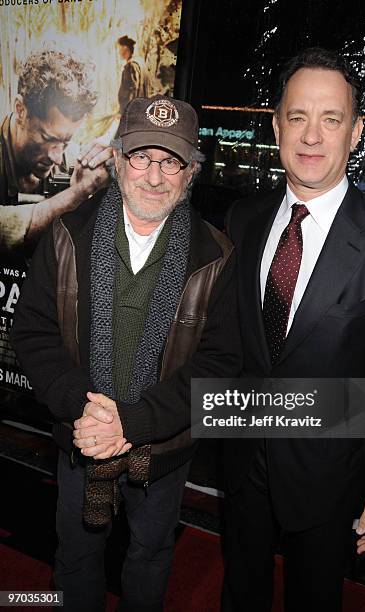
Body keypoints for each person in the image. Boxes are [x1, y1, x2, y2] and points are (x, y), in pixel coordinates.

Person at [222, 47, 365, 612]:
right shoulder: (242, 220)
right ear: (275, 126)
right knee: (239, 590)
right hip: (242, 461)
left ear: (356, 130)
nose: (312, 135)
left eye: (331, 118)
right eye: (297, 117)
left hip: (330, 479)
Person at [11, 94, 241, 612]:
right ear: (116, 160)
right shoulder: (67, 234)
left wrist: (133, 422)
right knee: (74, 556)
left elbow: (219, 366)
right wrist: (86, 410)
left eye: (171, 161)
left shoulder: (217, 256)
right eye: (141, 156)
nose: (154, 175)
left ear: (192, 172)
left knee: (150, 556)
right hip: (81, 436)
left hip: (162, 452)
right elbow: (33, 332)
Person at [0, 48, 112, 253]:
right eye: (47, 138)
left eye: (66, 142)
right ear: (20, 109)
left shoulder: (73, 161)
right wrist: (77, 194)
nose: (57, 157)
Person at [117, 35, 143, 115]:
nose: (119, 52)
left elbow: (133, 90)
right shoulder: (137, 63)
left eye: (120, 48)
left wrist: (128, 111)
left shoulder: (131, 66)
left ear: (125, 48)